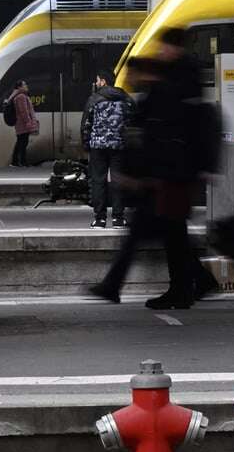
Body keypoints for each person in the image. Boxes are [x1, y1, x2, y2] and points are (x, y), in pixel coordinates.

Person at [89, 28, 216, 309]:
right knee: (173, 236)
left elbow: (171, 134)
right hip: (165, 175)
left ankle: (120, 285)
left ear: (174, 48)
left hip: (170, 175)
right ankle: (191, 285)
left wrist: (148, 173)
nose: (160, 52)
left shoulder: (179, 83)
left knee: (161, 235)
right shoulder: (174, 82)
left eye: (163, 47)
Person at [81, 72, 133, 228]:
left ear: (103, 81)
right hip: (119, 146)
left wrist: (86, 144)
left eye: (97, 80)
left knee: (98, 181)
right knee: (118, 181)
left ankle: (100, 219)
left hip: (98, 147)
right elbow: (132, 120)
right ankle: (118, 218)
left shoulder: (94, 99)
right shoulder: (125, 98)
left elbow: (86, 124)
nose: (96, 83)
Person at [6, 80, 38, 167]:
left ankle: (16, 162)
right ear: (19, 87)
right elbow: (24, 111)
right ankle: (21, 162)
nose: (26, 86)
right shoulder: (21, 97)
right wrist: (28, 122)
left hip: (21, 124)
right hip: (23, 124)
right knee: (23, 143)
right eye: (24, 85)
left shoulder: (20, 96)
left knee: (21, 142)